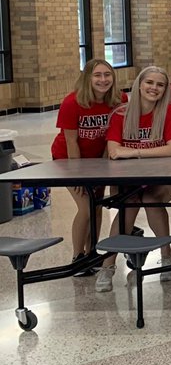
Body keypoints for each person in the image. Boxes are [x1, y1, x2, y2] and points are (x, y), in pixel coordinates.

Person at [97, 66, 171, 293]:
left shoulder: (170, 111)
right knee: (128, 205)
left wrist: (134, 151)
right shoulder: (120, 114)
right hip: (128, 178)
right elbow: (114, 150)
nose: (154, 88)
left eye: (160, 84)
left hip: (161, 176)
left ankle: (167, 256)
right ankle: (107, 266)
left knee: (150, 199)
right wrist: (132, 152)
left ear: (165, 89)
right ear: (139, 84)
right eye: (149, 82)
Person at [51, 58, 124, 272]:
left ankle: (92, 251)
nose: (103, 80)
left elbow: (113, 135)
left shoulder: (119, 99)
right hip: (69, 159)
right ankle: (78, 256)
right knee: (86, 206)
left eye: (107, 75)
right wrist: (78, 175)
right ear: (87, 78)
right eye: (97, 75)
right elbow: (71, 141)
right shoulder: (72, 102)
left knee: (98, 205)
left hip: (98, 159)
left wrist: (103, 166)